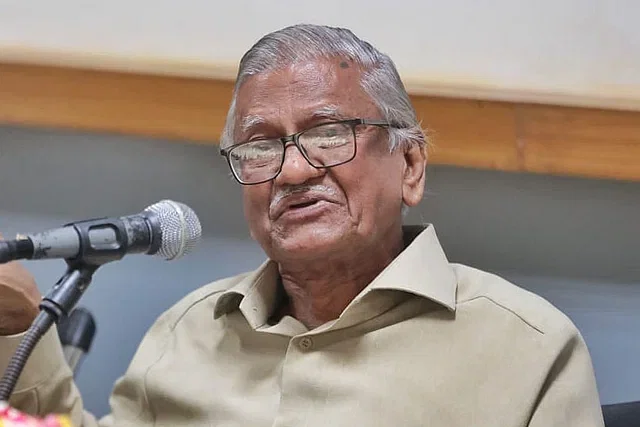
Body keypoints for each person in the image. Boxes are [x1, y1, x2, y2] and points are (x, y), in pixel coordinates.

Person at [0, 24, 604, 426]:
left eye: (327, 133)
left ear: (411, 165)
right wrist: (21, 328)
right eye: (260, 147)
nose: (291, 171)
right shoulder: (188, 331)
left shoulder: (526, 348)